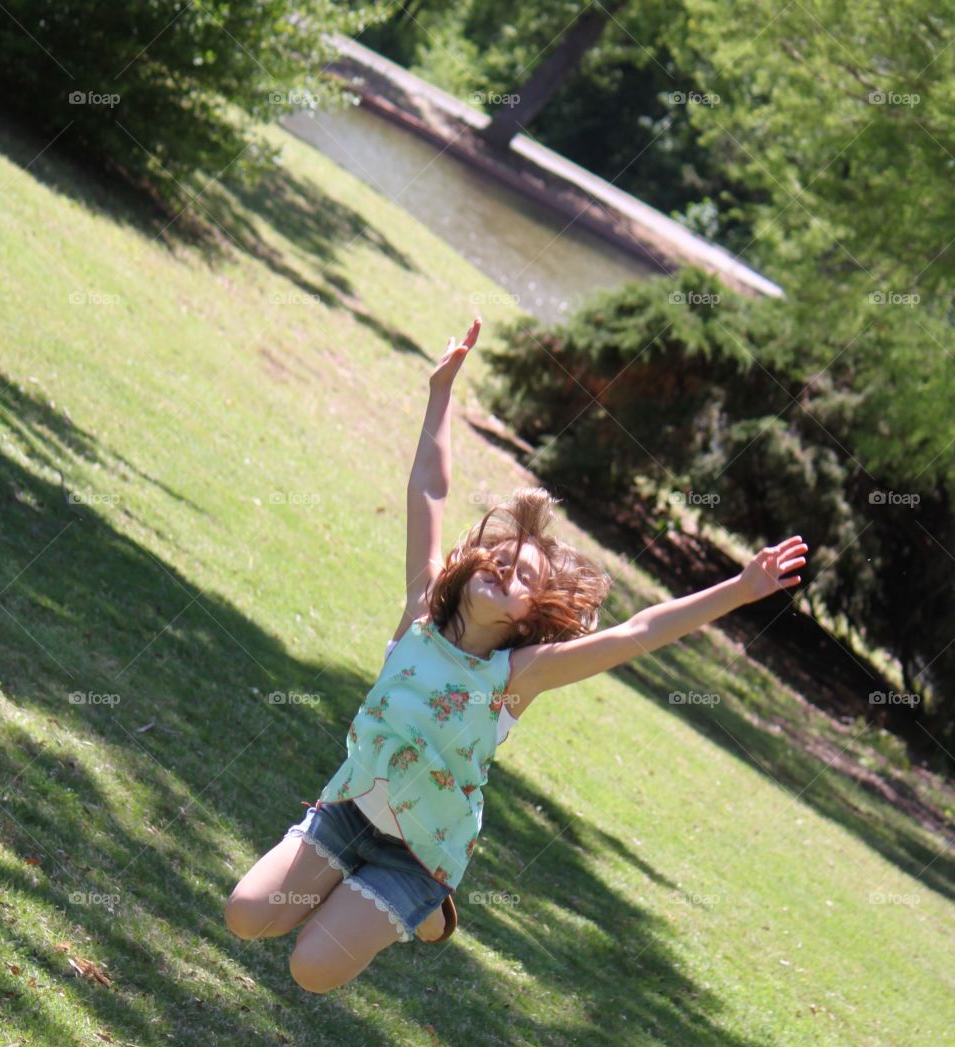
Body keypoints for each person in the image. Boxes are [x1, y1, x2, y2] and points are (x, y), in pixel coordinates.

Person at [225, 316, 809, 993]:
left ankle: (427, 912)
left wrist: (739, 589)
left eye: (524, 576)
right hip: (348, 810)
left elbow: (637, 633)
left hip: (418, 856)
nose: (506, 572)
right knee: (246, 916)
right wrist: (441, 391)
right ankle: (342, 891)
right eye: (500, 559)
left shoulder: (516, 675)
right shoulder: (420, 609)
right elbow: (429, 490)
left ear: (530, 614)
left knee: (311, 969)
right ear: (473, 566)